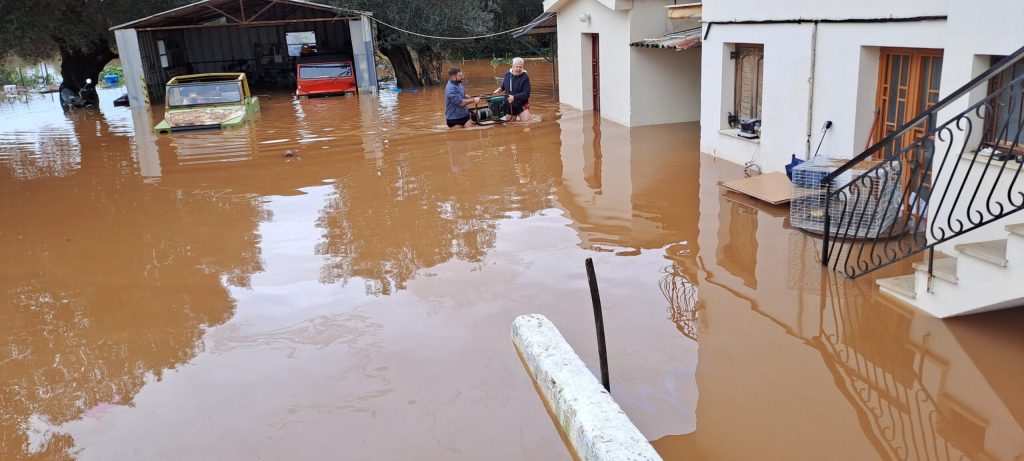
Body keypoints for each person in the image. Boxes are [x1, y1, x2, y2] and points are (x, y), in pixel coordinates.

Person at [493, 57, 531, 122]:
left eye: (520, 67)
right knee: (509, 125)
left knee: (526, 123)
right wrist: (499, 89)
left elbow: (526, 94)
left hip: (521, 105)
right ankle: (516, 117)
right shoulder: (507, 74)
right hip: (510, 106)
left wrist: (514, 97)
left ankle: (521, 116)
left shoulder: (525, 77)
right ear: (513, 66)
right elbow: (504, 86)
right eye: (517, 67)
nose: (518, 69)